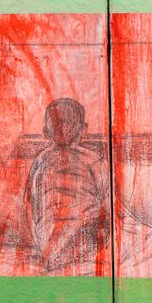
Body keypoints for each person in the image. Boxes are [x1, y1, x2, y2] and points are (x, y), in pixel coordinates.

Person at [26, 98, 109, 275]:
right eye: (59, 123)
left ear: (45, 131)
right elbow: (107, 198)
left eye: (65, 123)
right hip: (82, 234)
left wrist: (38, 238)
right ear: (83, 130)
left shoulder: (41, 160)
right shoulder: (92, 159)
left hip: (49, 243)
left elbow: (31, 204)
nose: (62, 128)